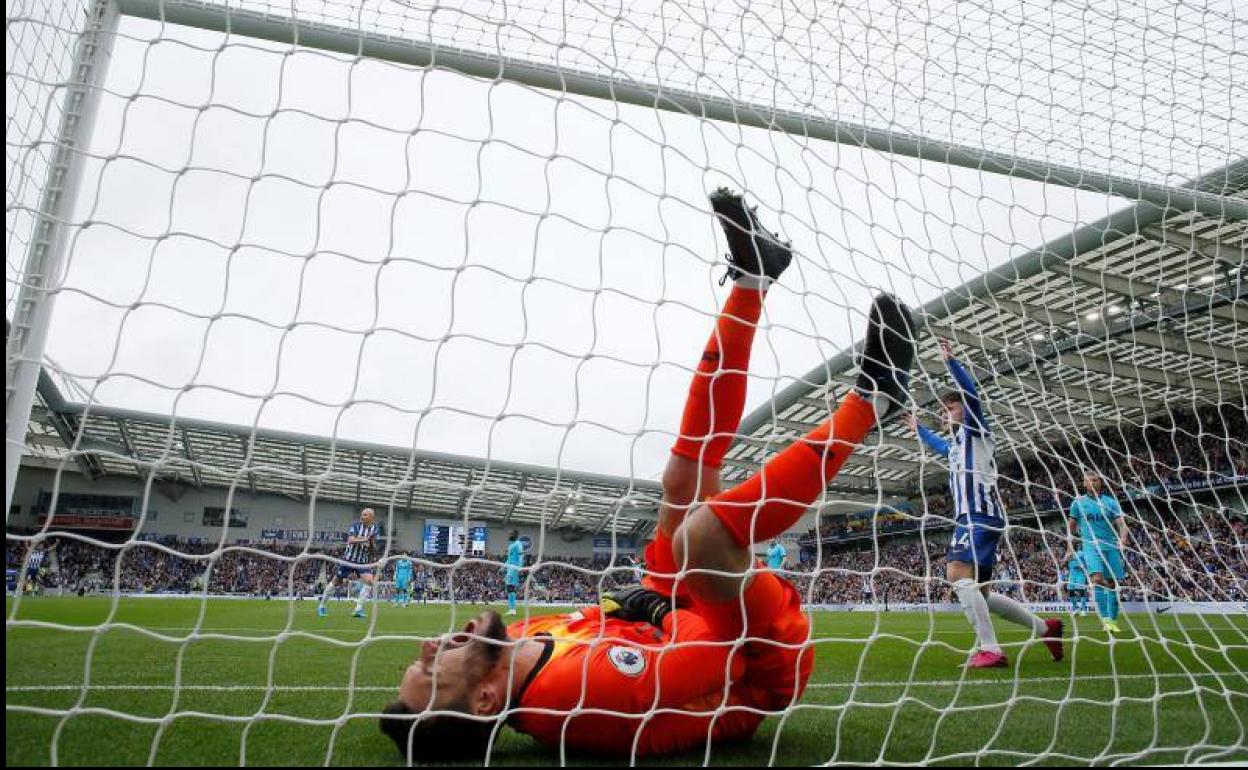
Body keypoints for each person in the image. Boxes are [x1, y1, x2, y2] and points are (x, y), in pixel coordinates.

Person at [378, 188, 919, 760]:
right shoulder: (575, 697)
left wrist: (646, 604)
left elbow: (614, 613)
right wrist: (660, 608)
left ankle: (753, 277)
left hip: (677, 611)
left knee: (681, 477)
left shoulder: (525, 639)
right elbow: (718, 652)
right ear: (486, 700)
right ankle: (876, 399)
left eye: (421, 657)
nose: (431, 645)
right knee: (702, 534)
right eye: (433, 671)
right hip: (756, 662)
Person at [906, 338, 1062, 668]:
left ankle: (991, 648)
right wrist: (919, 428)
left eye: (951, 408)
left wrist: (951, 362)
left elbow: (973, 396)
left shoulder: (976, 430)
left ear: (964, 409)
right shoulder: (957, 444)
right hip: (980, 516)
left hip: (978, 514)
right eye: (944, 411)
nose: (946, 415)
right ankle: (1045, 628)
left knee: (956, 572)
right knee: (982, 593)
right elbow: (939, 446)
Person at [1068, 470, 1129, 634]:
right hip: (1090, 546)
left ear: (1100, 482)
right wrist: (1070, 546)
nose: (1093, 482)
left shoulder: (1110, 502)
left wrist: (1123, 539)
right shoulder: (1078, 503)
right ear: (1084, 483)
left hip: (1110, 547)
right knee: (1096, 579)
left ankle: (1113, 621)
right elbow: (1071, 527)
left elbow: (1122, 525)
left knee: (1113, 586)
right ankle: (1105, 620)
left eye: (1096, 480)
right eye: (1090, 480)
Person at [317, 508, 379, 619]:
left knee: (370, 581)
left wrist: (370, 541)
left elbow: (373, 550)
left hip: (362, 561)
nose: (362, 516)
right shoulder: (355, 526)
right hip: (348, 559)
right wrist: (364, 539)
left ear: (371, 517)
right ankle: (322, 606)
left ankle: (358, 609)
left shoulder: (375, 529)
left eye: (364, 515)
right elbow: (350, 540)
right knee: (336, 582)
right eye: (362, 514)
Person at [1064, 550, 1091, 616]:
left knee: (1081, 590)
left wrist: (1082, 566)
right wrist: (1066, 559)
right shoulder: (1069, 553)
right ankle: (1076, 608)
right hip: (1072, 574)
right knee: (1070, 591)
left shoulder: (1082, 553)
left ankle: (1083, 610)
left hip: (1080, 574)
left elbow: (1088, 562)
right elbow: (1065, 562)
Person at [504, 531, 525, 616]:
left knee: (510, 588)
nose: (509, 535)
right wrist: (503, 566)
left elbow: (521, 555)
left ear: (515, 535)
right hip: (509, 568)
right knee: (508, 588)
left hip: (514, 568)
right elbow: (509, 558)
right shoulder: (511, 545)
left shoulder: (518, 544)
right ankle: (511, 609)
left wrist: (519, 566)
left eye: (511, 534)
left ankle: (513, 609)